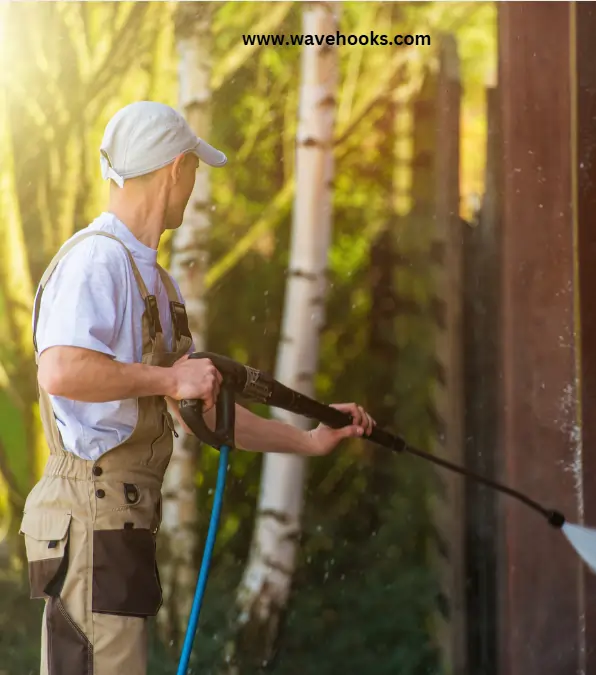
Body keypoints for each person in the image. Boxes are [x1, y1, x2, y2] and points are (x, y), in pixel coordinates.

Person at [22, 100, 375, 675]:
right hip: (89, 515)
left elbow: (196, 412)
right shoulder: (96, 261)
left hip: (119, 520)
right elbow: (61, 369)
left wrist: (308, 441)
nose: (193, 188)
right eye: (193, 173)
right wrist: (168, 375)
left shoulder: (154, 281)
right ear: (175, 169)